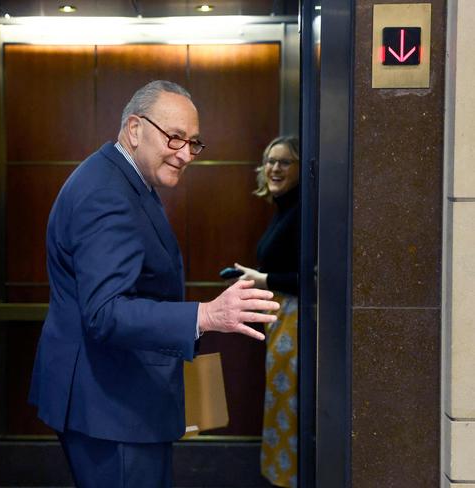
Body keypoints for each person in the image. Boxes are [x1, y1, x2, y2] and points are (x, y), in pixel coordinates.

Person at [28, 80, 280, 488]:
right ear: (134, 129)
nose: (185, 154)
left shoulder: (122, 179)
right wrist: (207, 314)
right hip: (111, 407)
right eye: (174, 138)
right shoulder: (107, 193)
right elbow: (105, 313)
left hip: (116, 398)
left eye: (193, 143)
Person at [233, 136, 300, 488]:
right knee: (280, 401)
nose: (275, 168)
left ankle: (288, 478)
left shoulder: (302, 210)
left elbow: (317, 278)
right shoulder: (283, 207)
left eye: (285, 162)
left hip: (297, 322)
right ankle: (281, 476)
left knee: (287, 403)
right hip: (281, 319)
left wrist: (265, 278)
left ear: (301, 169)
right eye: (271, 161)